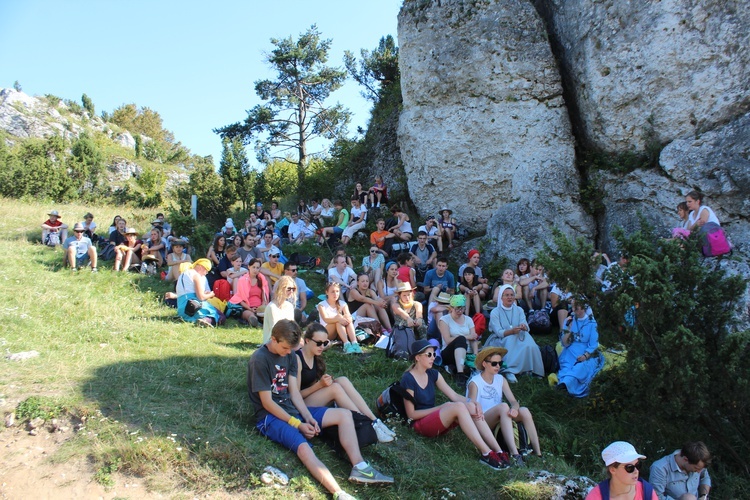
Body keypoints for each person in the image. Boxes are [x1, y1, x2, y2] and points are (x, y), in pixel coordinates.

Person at [248, 320, 394, 500]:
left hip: (292, 409)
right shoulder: (259, 359)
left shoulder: (292, 355)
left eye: (291, 349)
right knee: (304, 448)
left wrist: (308, 417)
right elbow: (267, 403)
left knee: (344, 414)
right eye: (285, 348)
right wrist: (298, 424)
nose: (288, 353)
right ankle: (339, 493)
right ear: (273, 339)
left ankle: (360, 467)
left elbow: (294, 393)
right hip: (269, 417)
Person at [401, 339, 509, 470]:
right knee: (458, 406)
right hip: (419, 424)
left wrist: (474, 403)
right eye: (429, 355)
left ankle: (498, 451)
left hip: (434, 420)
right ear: (417, 357)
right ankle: (486, 453)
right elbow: (411, 415)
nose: (433, 358)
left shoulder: (433, 374)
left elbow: (454, 395)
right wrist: (442, 407)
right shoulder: (408, 378)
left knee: (469, 406)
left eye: (434, 354)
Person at [296, 322, 396, 443]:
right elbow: (295, 396)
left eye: (325, 343)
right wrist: (320, 385)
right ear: (307, 340)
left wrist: (323, 384)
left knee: (342, 380)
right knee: (335, 388)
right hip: (300, 405)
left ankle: (374, 420)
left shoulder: (314, 355)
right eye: (318, 343)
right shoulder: (298, 360)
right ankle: (366, 423)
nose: (322, 346)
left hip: (311, 398)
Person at [467, 347, 541, 464]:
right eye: (494, 363)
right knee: (503, 406)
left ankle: (538, 453)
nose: (498, 366)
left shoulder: (500, 379)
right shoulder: (475, 382)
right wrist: (507, 408)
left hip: (501, 415)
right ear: (484, 364)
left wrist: (514, 409)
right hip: (483, 420)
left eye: (500, 363)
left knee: (524, 411)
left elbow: (513, 401)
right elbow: (470, 405)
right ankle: (515, 454)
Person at [485, 285, 544, 380]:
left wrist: (524, 327)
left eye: (512, 295)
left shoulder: (519, 310)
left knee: (530, 344)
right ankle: (509, 370)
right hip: (501, 338)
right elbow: (499, 332)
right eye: (507, 295)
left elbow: (525, 324)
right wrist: (511, 331)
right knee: (510, 340)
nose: (510, 297)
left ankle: (531, 369)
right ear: (501, 297)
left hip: (519, 334)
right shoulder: (495, 312)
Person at [557, 302, 605, 397]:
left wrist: (585, 356)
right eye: (574, 308)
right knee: (567, 366)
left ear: (584, 308)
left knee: (580, 367)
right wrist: (568, 330)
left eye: (579, 308)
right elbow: (564, 344)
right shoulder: (569, 321)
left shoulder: (592, 323)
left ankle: (566, 384)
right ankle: (565, 384)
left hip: (586, 352)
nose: (576, 311)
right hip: (570, 350)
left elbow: (593, 344)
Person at [585, 441, 656, 500]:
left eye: (638, 465)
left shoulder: (647, 492)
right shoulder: (596, 497)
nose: (636, 471)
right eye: (629, 467)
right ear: (612, 470)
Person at [438, 295, 478, 389]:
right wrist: (466, 336)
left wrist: (475, 354)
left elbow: (474, 338)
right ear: (451, 308)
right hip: (449, 352)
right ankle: (460, 374)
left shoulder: (468, 320)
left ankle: (460, 367)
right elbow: (447, 340)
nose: (460, 312)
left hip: (466, 352)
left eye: (462, 309)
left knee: (462, 340)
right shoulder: (444, 320)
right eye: (457, 309)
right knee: (460, 339)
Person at [317, 282, 362, 354]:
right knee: (339, 318)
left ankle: (354, 343)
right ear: (327, 292)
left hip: (340, 331)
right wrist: (338, 318)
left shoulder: (343, 303)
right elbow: (326, 319)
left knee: (345, 317)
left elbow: (349, 317)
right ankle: (346, 344)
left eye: (337, 291)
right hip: (327, 332)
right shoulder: (321, 305)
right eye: (332, 292)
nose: (335, 294)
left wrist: (346, 318)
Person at [176, 259, 220, 327]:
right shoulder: (196, 275)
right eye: (206, 270)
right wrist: (211, 294)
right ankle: (205, 320)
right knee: (216, 313)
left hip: (182, 309)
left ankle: (185, 318)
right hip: (192, 306)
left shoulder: (184, 273)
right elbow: (201, 297)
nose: (206, 273)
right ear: (201, 267)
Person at [227, 258, 268, 327]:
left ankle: (263, 320)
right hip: (247, 307)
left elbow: (264, 297)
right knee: (250, 315)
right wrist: (250, 309)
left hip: (259, 307)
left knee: (264, 314)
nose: (255, 270)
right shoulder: (242, 280)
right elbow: (240, 299)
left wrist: (261, 307)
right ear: (249, 267)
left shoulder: (262, 279)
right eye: (253, 267)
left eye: (257, 268)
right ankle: (254, 321)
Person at [261, 275, 297, 344]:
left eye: (293, 289)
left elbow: (292, 326)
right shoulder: (272, 307)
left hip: (287, 338)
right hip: (273, 341)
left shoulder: (289, 306)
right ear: (281, 288)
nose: (291, 291)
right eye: (289, 289)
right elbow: (275, 330)